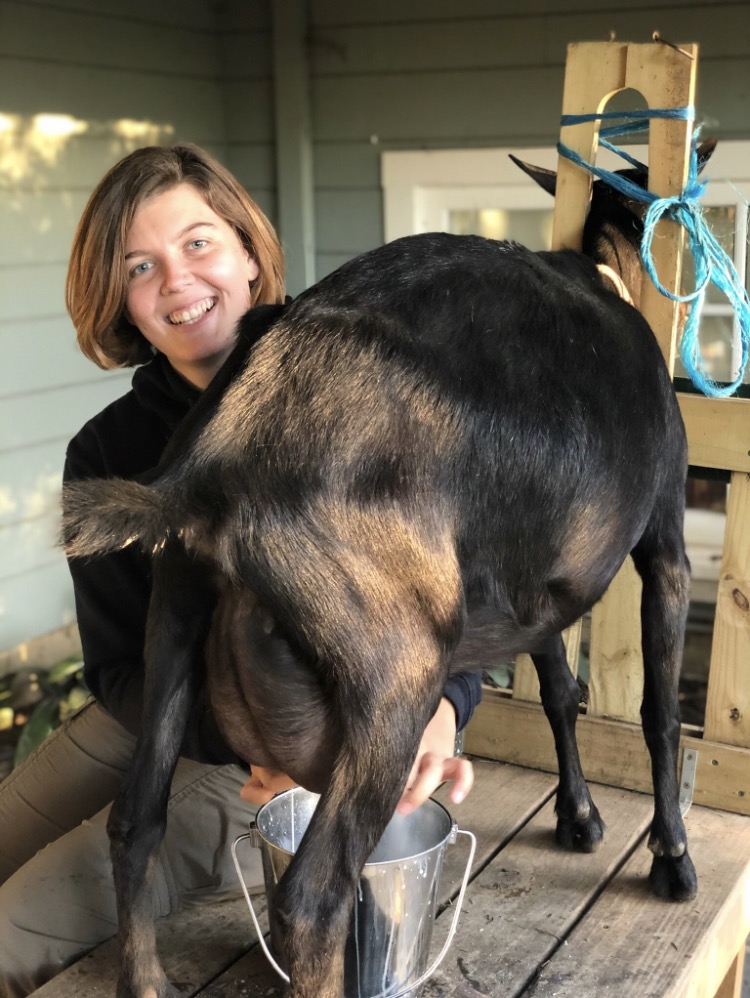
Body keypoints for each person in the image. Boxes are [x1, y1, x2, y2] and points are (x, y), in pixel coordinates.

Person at [0, 143, 481, 997]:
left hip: (273, 763)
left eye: (197, 244)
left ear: (250, 254)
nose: (175, 281)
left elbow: (466, 594)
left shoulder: (367, 395)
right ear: (122, 304)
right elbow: (116, 667)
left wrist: (443, 707)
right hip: (156, 716)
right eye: (139, 266)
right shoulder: (108, 451)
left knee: (6, 935)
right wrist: (208, 728)